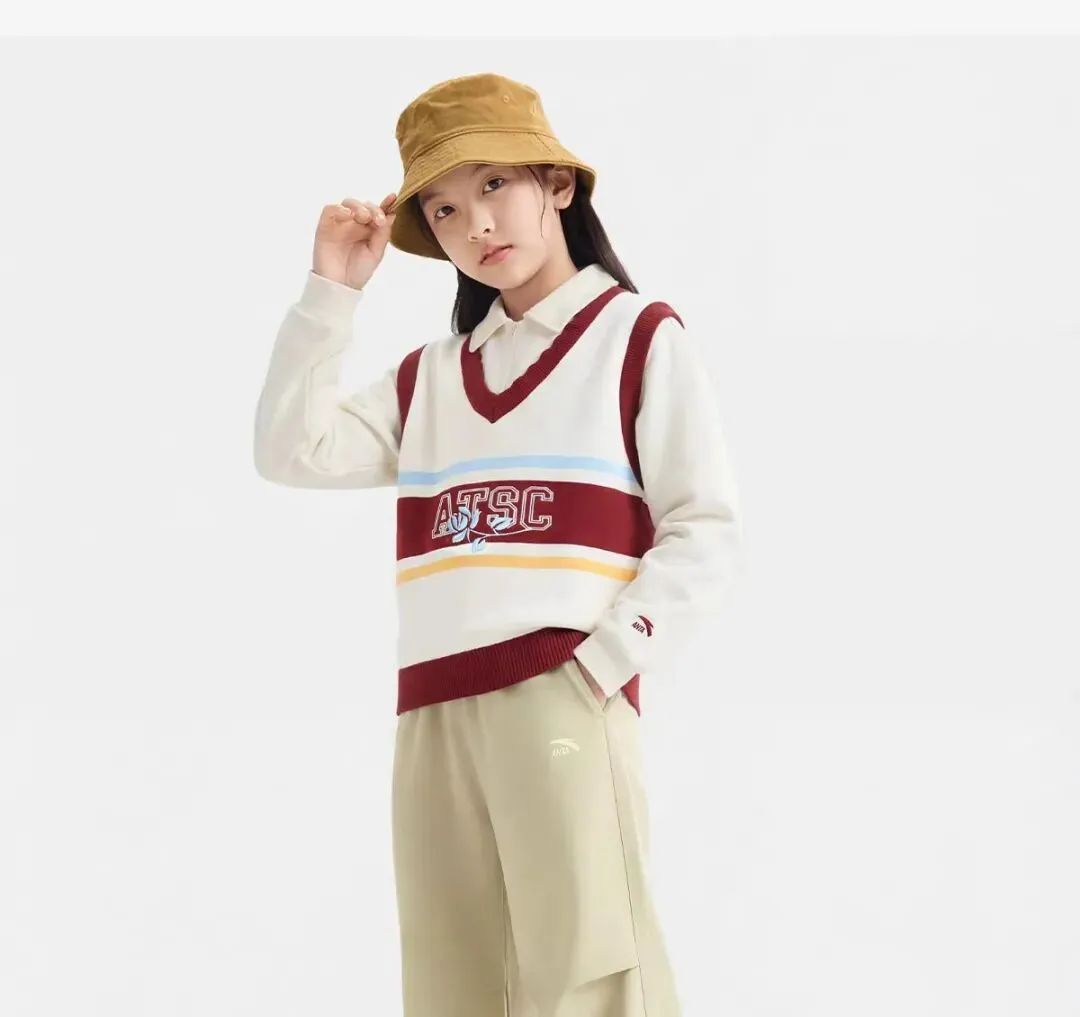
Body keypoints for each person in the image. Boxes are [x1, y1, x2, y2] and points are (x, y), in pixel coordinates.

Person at [253, 71, 742, 1017]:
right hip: (432, 712)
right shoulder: (431, 377)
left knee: (593, 976)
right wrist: (331, 294)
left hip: (562, 690)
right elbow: (290, 450)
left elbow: (706, 526)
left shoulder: (636, 336)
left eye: (493, 185)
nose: (475, 223)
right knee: (453, 984)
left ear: (556, 184)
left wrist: (602, 664)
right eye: (442, 209)